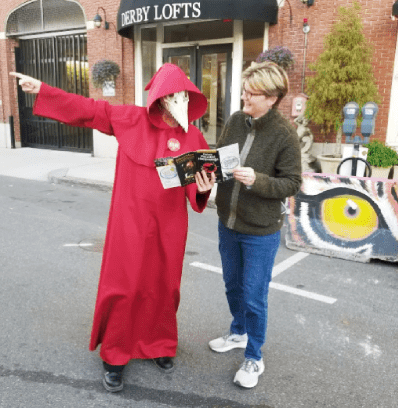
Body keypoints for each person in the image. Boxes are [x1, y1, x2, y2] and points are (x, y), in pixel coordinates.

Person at [11, 64, 216, 392]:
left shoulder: (193, 136)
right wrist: (45, 91)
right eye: (171, 95)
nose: (176, 100)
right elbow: (90, 111)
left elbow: (197, 190)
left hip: (170, 226)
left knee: (165, 286)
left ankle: (159, 344)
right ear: (159, 97)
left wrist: (204, 186)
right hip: (129, 222)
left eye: (183, 95)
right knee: (124, 285)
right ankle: (115, 355)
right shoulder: (131, 118)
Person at [207, 62, 302, 389]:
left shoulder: (284, 134)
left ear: (272, 98)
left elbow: (292, 183)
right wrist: (205, 173)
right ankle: (238, 332)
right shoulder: (235, 121)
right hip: (228, 222)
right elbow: (220, 160)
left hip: (260, 230)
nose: (244, 97)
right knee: (233, 286)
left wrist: (257, 180)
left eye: (252, 93)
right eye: (244, 90)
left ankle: (254, 355)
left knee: (253, 295)